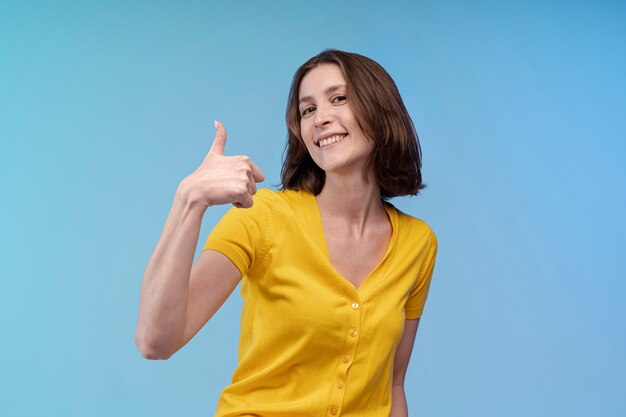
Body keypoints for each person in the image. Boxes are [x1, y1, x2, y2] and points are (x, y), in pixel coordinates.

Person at [135, 49, 438, 417]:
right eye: (307, 109)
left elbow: (392, 384)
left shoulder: (417, 243)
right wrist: (189, 200)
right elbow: (156, 341)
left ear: (380, 109)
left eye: (338, 99)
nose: (320, 119)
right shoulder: (262, 217)